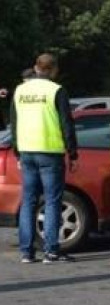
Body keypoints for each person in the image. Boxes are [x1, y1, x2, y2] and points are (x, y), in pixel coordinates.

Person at [11, 53, 78, 263]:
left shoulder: (20, 90)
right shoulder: (56, 90)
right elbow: (66, 123)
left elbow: (14, 123)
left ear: (36, 67)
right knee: (52, 201)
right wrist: (72, 152)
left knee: (28, 201)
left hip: (27, 151)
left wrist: (17, 151)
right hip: (50, 152)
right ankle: (51, 250)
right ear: (53, 69)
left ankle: (26, 252)